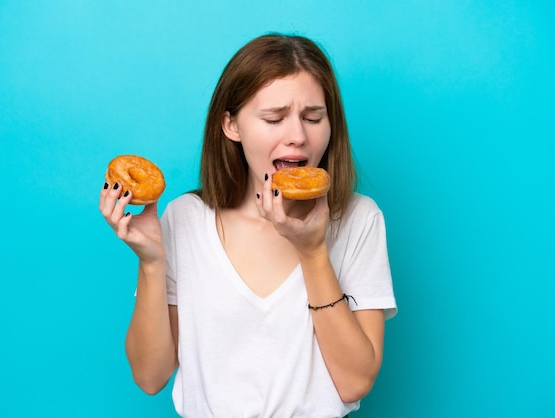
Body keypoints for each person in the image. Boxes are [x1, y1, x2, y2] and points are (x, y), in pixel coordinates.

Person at [99, 33, 397, 418]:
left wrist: (313, 252)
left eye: (313, 118)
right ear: (231, 126)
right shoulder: (185, 218)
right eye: (274, 118)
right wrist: (152, 262)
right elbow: (150, 377)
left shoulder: (359, 220)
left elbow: (355, 382)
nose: (298, 137)